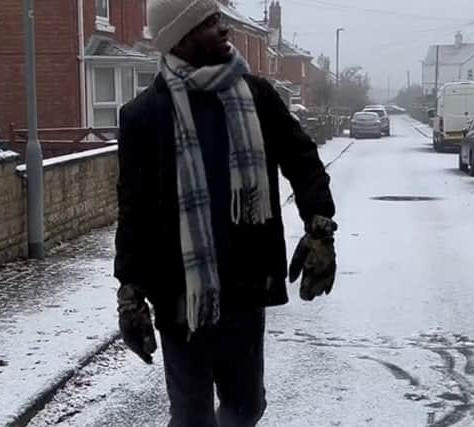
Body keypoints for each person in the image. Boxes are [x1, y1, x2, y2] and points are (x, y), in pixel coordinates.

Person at [114, 0, 337, 425]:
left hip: (245, 285)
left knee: (248, 406)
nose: (223, 30)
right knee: (192, 416)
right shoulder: (144, 116)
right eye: (209, 22)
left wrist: (320, 227)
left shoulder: (257, 97)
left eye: (220, 19)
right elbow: (134, 209)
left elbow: (302, 159)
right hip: (180, 294)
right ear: (179, 39)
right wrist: (130, 291)